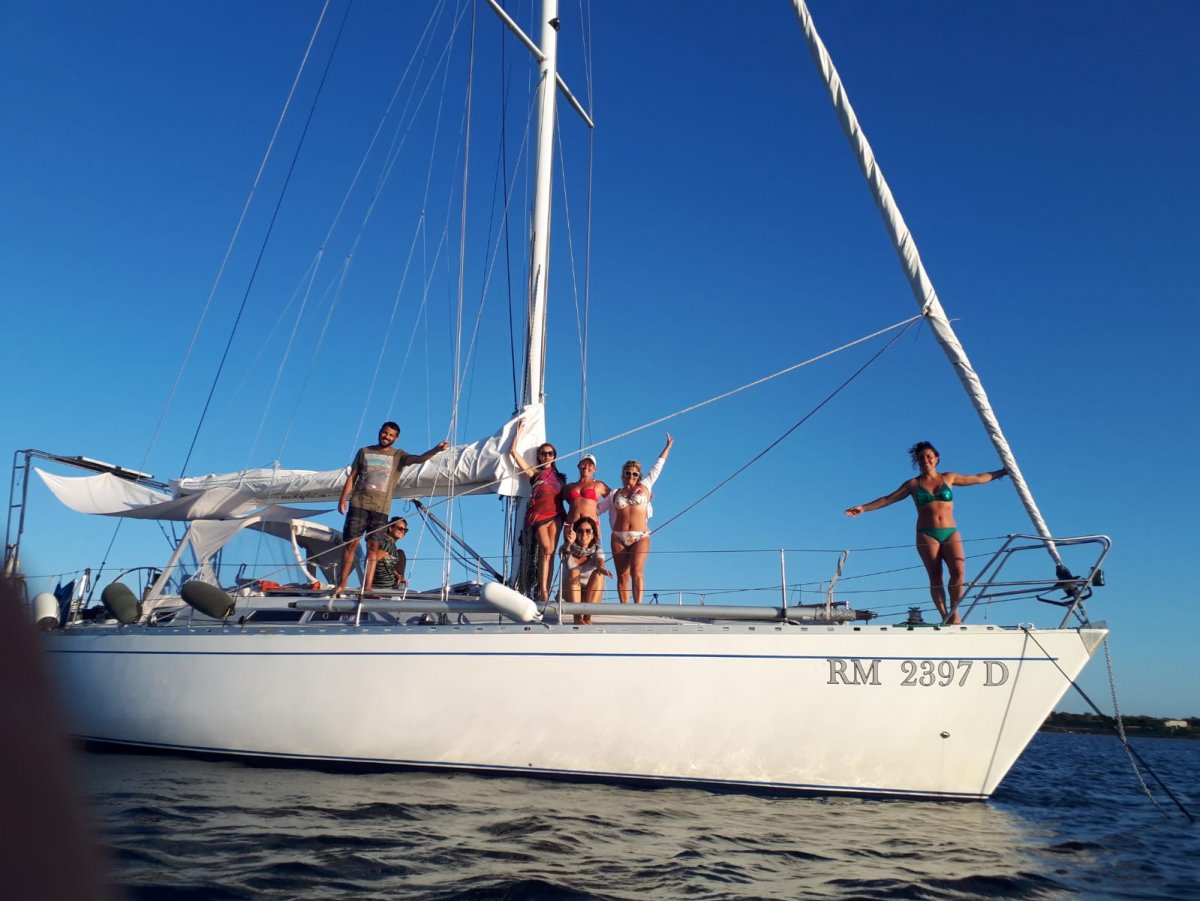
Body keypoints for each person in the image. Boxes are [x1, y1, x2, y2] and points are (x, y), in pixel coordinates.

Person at [844, 441, 1007, 624]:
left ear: (936, 459)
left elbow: (978, 478)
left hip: (950, 531)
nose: (925, 460)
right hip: (926, 533)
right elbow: (888, 499)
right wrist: (863, 508)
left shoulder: (949, 478)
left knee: (959, 571)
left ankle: (954, 614)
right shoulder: (913, 484)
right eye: (921, 458)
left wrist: (1003, 471)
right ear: (918, 462)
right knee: (936, 576)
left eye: (929, 456)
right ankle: (944, 614)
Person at [333, 421, 448, 594]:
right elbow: (353, 476)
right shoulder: (364, 452)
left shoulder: (398, 455)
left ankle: (368, 588)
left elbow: (418, 459)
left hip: (381, 508)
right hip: (359, 503)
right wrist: (343, 499)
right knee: (351, 544)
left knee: (373, 548)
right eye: (384, 433)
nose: (386, 437)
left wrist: (436, 450)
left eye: (391, 435)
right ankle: (341, 585)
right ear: (380, 431)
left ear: (396, 438)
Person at [603, 434, 673, 604]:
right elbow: (597, 509)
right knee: (622, 575)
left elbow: (657, 467)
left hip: (640, 535)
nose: (631, 476)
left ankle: (638, 606)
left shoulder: (645, 486)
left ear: (639, 475)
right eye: (628, 473)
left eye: (635, 474)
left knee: (636, 571)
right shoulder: (614, 494)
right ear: (623, 474)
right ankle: (624, 607)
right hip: (618, 536)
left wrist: (668, 447)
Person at [508, 419, 567, 603]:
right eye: (543, 453)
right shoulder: (535, 473)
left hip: (557, 514)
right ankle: (543, 592)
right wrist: (519, 432)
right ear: (540, 457)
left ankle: (546, 591)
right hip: (540, 515)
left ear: (554, 456)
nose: (546, 456)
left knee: (550, 553)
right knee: (546, 550)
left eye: (550, 453)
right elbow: (513, 453)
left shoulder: (561, 478)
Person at [559, 516, 611, 624]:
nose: (584, 534)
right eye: (580, 531)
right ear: (575, 533)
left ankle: (587, 617)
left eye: (588, 531)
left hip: (590, 597)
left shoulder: (597, 549)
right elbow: (566, 558)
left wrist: (601, 568)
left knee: (598, 574)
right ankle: (577, 617)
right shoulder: (566, 548)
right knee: (574, 571)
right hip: (570, 594)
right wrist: (569, 543)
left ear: (593, 535)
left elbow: (599, 560)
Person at [562, 452, 610, 536]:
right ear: (578, 466)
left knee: (593, 549)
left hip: (591, 527)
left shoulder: (599, 485)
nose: (586, 467)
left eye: (590, 465)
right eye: (583, 464)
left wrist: (600, 508)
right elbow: (555, 500)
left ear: (595, 469)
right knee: (569, 548)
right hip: (571, 526)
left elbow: (616, 498)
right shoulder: (569, 487)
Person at [364, 517, 408, 592]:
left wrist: (398, 576)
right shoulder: (387, 543)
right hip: (384, 587)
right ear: (390, 528)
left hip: (385, 586)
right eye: (400, 528)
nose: (402, 531)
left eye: (405, 530)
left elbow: (386, 563)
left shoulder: (390, 544)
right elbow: (372, 561)